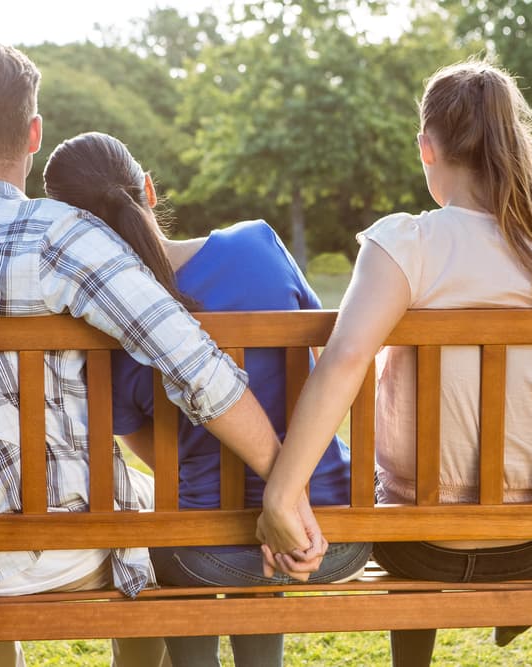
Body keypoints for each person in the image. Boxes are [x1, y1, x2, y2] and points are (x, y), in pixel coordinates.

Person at [0, 39, 319, 667]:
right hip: (75, 545)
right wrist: (285, 484)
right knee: (153, 514)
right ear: (33, 133)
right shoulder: (62, 238)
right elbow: (194, 365)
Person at [257, 59, 532, 665]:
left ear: (427, 148)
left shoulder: (407, 244)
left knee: (398, 493)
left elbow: (347, 357)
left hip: (416, 544)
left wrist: (283, 494)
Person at [42, 131, 371, 667]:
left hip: (197, 553)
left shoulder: (109, 325)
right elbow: (317, 365)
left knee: (180, 525)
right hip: (330, 531)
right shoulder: (257, 246)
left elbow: (153, 452)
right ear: (148, 188)